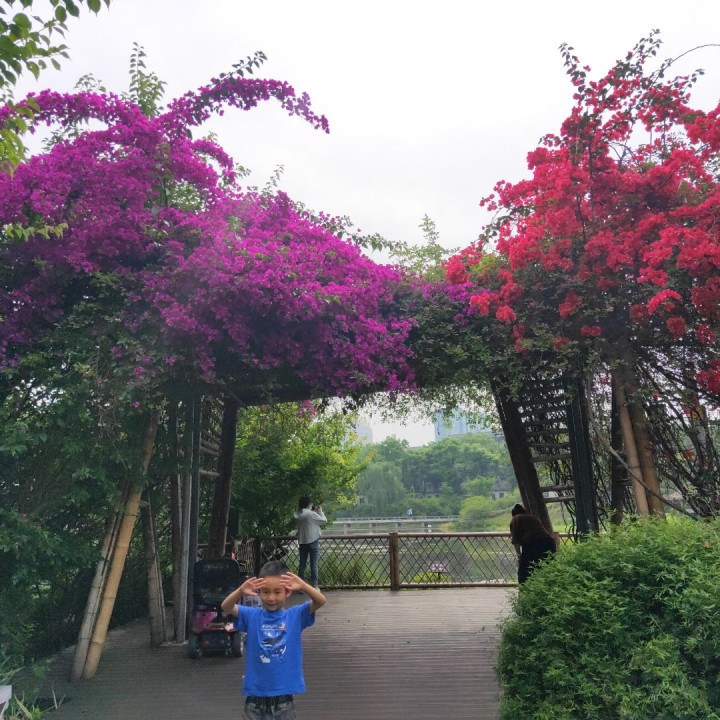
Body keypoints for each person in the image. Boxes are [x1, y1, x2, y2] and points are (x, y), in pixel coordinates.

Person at [221, 560, 326, 720]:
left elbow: (320, 601)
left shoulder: (295, 615)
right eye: (265, 592)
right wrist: (241, 591)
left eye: (277, 592)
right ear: (259, 592)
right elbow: (226, 607)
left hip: (283, 699)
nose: (271, 598)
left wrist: (304, 586)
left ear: (287, 592)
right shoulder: (252, 615)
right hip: (255, 698)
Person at [509, 511, 556, 583]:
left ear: (513, 514)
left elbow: (516, 540)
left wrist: (519, 555)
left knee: (524, 572)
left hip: (534, 544)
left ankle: (526, 589)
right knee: (546, 568)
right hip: (549, 543)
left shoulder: (515, 519)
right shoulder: (533, 517)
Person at [294, 496, 326, 588]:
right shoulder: (311, 514)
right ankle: (314, 586)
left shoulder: (298, 514)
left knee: (302, 564)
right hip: (313, 540)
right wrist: (321, 512)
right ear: (309, 504)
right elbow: (324, 520)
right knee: (313, 564)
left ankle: (300, 586)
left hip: (302, 541)